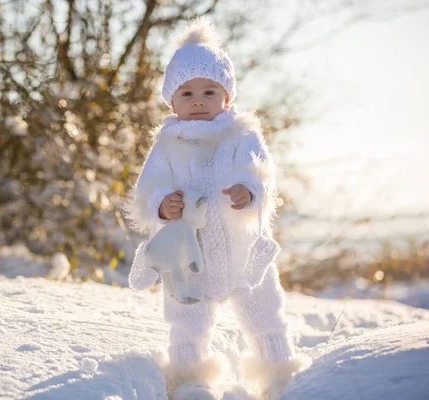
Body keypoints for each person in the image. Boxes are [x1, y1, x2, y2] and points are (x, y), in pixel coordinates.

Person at [125, 17, 310, 400]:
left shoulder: (242, 134)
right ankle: (188, 378)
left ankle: (279, 374)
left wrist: (249, 191)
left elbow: (262, 175)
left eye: (209, 92)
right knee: (186, 320)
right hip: (190, 256)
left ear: (227, 98)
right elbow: (148, 189)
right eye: (187, 93)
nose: (198, 101)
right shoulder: (167, 143)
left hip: (242, 251)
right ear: (171, 101)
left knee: (265, 315)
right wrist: (163, 204)